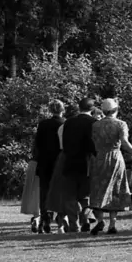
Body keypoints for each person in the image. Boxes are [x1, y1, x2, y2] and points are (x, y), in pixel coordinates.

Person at [88, 98, 132, 235]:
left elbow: (94, 141)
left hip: (100, 157)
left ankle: (99, 220)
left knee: (98, 189)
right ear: (115, 110)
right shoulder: (121, 124)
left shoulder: (96, 125)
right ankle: (112, 224)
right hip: (115, 157)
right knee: (116, 189)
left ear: (103, 110)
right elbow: (125, 142)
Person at [48, 96, 98, 233]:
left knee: (70, 196)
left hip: (69, 160)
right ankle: (86, 219)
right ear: (92, 109)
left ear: (79, 107)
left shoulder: (68, 122)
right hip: (86, 162)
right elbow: (93, 144)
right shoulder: (94, 122)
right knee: (85, 195)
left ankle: (73, 224)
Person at [31, 101, 65, 234]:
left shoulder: (43, 124)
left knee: (44, 192)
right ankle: (61, 221)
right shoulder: (65, 123)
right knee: (61, 191)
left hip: (44, 161)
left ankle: (45, 219)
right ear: (63, 109)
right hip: (59, 161)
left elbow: (37, 143)